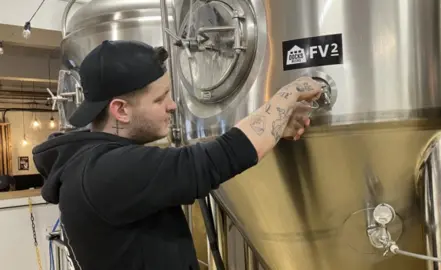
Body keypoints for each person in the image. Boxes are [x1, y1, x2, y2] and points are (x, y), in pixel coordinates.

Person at [32, 40, 322, 270]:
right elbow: (216, 159)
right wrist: (290, 93)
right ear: (120, 110)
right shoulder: (104, 170)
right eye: (160, 98)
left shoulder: (96, 163)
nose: (172, 106)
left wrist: (277, 121)